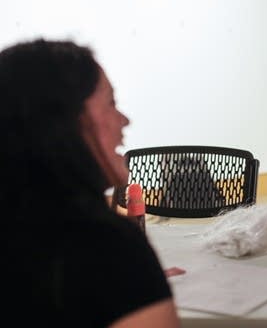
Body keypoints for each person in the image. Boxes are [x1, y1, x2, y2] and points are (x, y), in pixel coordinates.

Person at [0, 39, 180, 327]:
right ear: (68, 122)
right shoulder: (104, 244)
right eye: (111, 103)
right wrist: (134, 279)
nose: (125, 120)